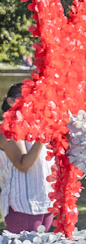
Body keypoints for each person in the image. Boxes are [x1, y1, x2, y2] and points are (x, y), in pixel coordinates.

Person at [2, 83, 52, 234]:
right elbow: (23, 165)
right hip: (22, 205)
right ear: (11, 101)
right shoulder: (7, 130)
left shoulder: (37, 128)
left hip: (46, 202)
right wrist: (42, 139)